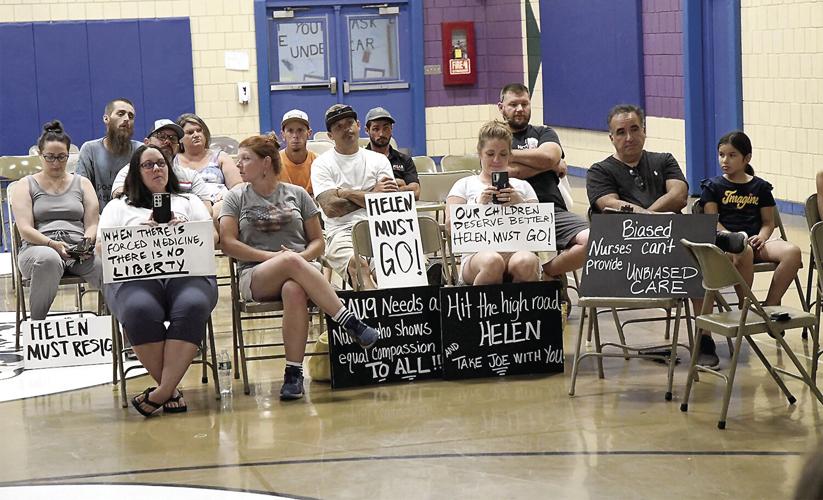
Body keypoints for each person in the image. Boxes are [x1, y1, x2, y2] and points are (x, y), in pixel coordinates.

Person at [219, 133, 380, 400]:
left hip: (301, 273)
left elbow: (318, 242)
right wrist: (277, 259)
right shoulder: (235, 198)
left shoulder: (297, 195)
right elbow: (228, 244)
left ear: (266, 163)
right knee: (290, 261)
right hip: (256, 275)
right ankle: (348, 321)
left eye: (246, 159)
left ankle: (293, 375)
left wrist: (296, 260)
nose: (239, 165)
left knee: (294, 288)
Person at [586, 104, 744, 368]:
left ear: (644, 131)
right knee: (694, 245)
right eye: (621, 132)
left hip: (672, 251)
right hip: (628, 255)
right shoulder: (599, 171)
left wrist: (645, 215)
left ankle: (704, 339)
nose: (629, 137)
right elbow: (608, 204)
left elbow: (679, 194)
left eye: (635, 129)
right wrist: (651, 219)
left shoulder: (664, 160)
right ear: (611, 137)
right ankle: (717, 239)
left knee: (698, 265)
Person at [99, 145, 218, 417]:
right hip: (135, 279)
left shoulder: (189, 201)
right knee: (139, 309)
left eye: (161, 163)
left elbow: (213, 239)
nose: (156, 169)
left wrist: (183, 231)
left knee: (193, 304)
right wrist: (139, 236)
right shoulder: (119, 206)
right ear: (136, 173)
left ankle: (161, 393)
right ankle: (170, 390)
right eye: (148, 165)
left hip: (188, 275)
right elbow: (101, 248)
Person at [498, 84, 589, 282]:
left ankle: (549, 271)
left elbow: (549, 156)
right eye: (513, 104)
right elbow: (504, 171)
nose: (520, 109)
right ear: (501, 107)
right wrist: (549, 165)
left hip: (551, 211)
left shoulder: (544, 132)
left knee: (593, 240)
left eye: (524, 103)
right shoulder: (495, 137)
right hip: (510, 217)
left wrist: (511, 155)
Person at [12, 121, 103, 320]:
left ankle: (123, 333)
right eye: (50, 157)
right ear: (40, 154)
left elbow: (92, 222)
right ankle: (37, 326)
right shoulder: (25, 185)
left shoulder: (82, 183)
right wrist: (52, 244)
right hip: (37, 249)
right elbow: (24, 229)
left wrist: (86, 244)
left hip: (77, 251)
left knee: (106, 265)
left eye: (61, 157)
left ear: (68, 155)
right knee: (49, 259)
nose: (56, 163)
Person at [700, 131, 801, 308]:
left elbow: (768, 222)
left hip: (756, 242)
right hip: (727, 245)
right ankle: (745, 304)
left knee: (792, 252)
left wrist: (762, 237)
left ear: (746, 158)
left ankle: (770, 305)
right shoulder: (713, 186)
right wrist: (734, 238)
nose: (725, 160)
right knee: (743, 250)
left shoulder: (760, 186)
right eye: (721, 155)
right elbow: (712, 221)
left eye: (732, 155)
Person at [311, 104, 397, 289]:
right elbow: (332, 208)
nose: (346, 129)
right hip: (341, 233)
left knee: (393, 271)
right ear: (330, 135)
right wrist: (373, 194)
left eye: (349, 123)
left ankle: (395, 315)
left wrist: (346, 192)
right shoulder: (321, 164)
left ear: (358, 125)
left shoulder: (379, 160)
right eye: (338, 127)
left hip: (381, 228)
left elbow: (388, 200)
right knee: (359, 265)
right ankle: (375, 316)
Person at [446, 120, 541, 285]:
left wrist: (520, 204)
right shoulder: (464, 185)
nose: (496, 160)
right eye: (490, 154)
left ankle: (519, 309)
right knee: (493, 261)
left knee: (527, 261)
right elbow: (449, 225)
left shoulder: (523, 186)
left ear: (510, 155)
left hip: (516, 251)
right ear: (480, 153)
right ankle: (478, 309)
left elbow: (539, 226)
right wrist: (478, 205)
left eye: (503, 154)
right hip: (477, 257)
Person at [111, 119, 213, 213]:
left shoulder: (191, 176)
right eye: (161, 136)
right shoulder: (129, 171)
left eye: (173, 138)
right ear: (147, 143)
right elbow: (119, 201)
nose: (168, 141)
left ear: (178, 147)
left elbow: (207, 212)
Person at [75, 98, 143, 210]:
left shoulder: (140, 150)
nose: (126, 119)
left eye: (131, 116)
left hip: (132, 219)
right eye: (120, 114)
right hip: (97, 219)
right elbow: (80, 191)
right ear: (106, 118)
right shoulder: (90, 149)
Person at [174, 113, 242, 216]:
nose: (196, 135)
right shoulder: (173, 161)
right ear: (180, 139)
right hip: (187, 209)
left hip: (220, 206)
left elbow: (238, 186)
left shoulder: (220, 157)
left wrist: (227, 199)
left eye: (199, 130)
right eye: (190, 132)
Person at [364, 107, 420, 199]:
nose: (381, 134)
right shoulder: (361, 159)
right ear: (367, 130)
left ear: (391, 129)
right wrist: (399, 185)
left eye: (386, 128)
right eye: (376, 129)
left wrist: (390, 189)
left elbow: (416, 192)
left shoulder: (404, 160)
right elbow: (356, 192)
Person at [279, 109, 314, 195]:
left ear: (309, 133)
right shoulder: (273, 163)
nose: (295, 136)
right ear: (283, 135)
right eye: (290, 131)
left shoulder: (319, 162)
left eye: (300, 130)